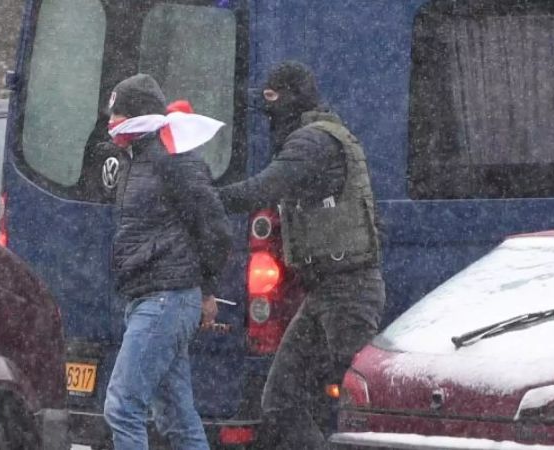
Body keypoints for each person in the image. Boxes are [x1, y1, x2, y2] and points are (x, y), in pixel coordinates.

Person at [217, 61, 386, 449]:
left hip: (348, 291)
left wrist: (204, 197)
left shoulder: (312, 142)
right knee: (280, 399)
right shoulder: (319, 136)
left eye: (273, 98)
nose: (267, 108)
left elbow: (264, 188)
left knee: (362, 404)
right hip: (324, 291)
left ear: (294, 98)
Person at [102, 73, 232, 450]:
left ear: (137, 116)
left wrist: (205, 288)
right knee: (175, 415)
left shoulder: (171, 161)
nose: (110, 123)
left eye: (117, 113)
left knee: (122, 406)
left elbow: (216, 230)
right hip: (151, 299)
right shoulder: (137, 158)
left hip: (165, 300)